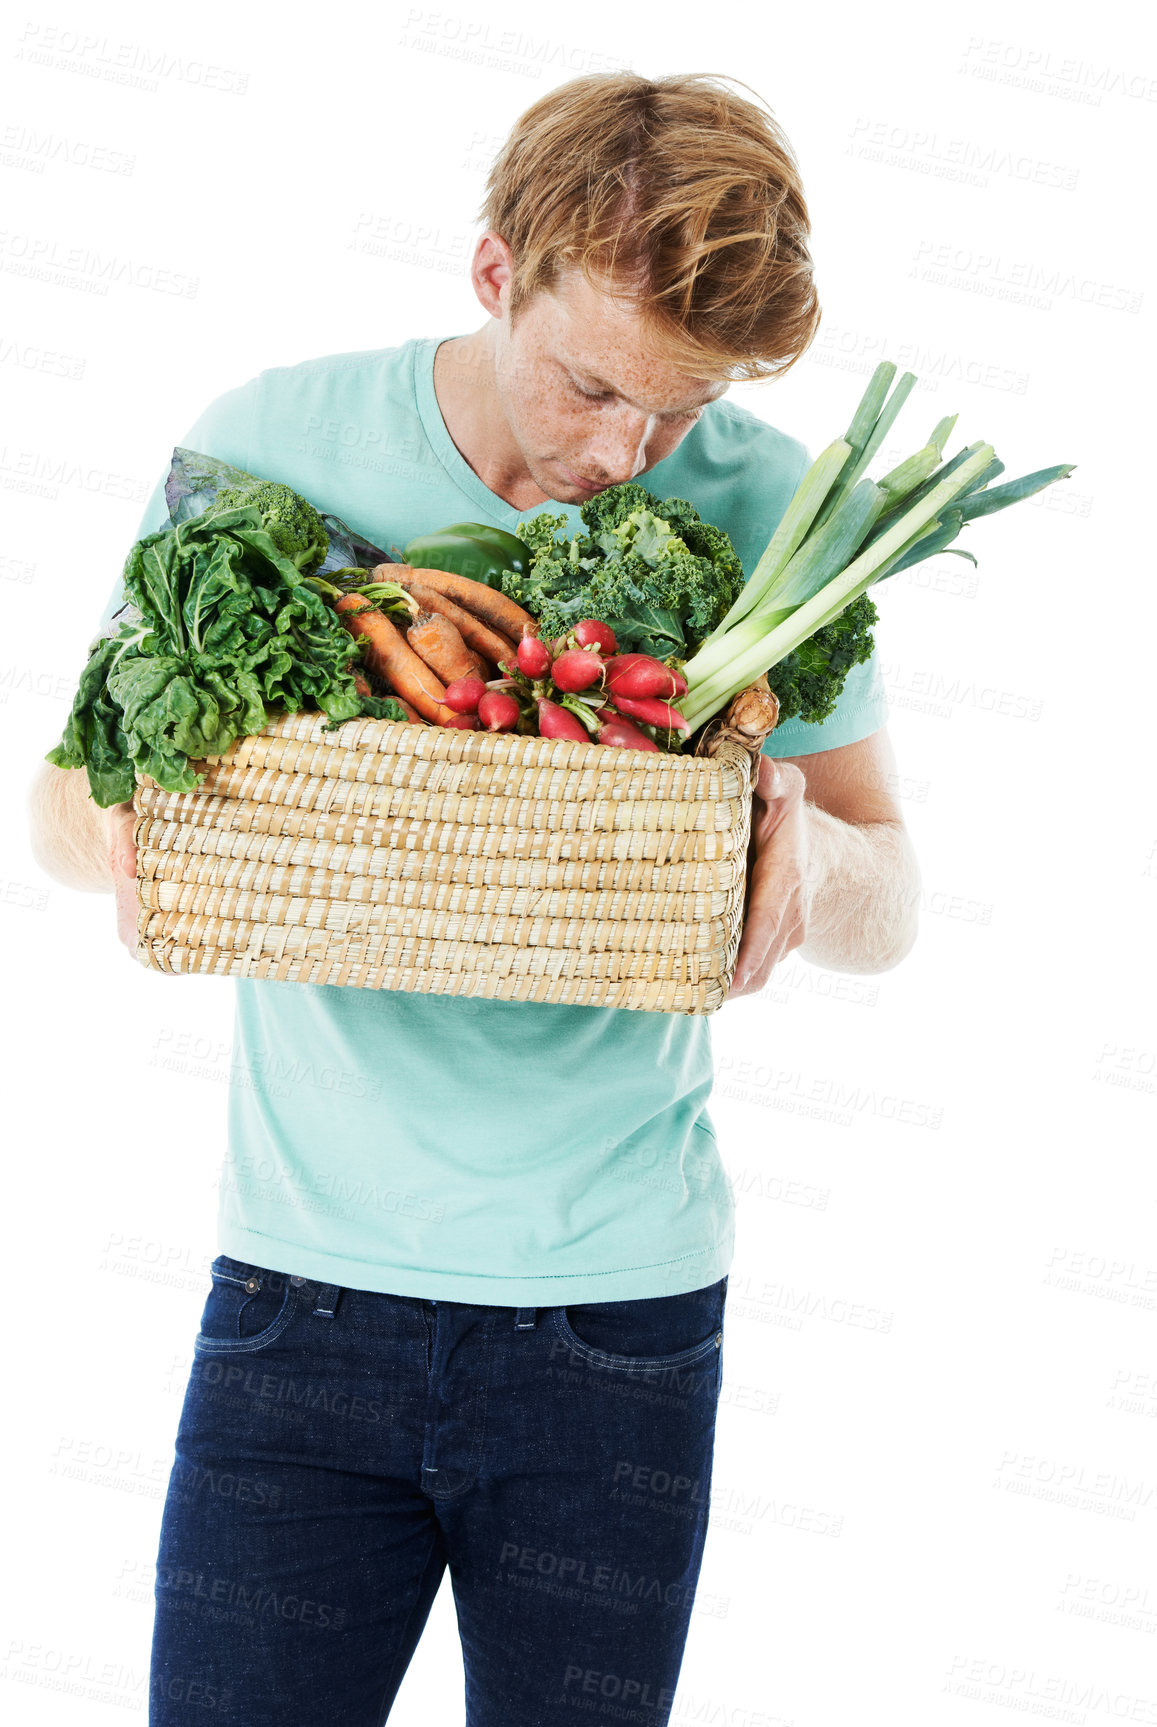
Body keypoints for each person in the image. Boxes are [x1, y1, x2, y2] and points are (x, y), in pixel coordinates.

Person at [29, 70, 920, 1727]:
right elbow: (61, 810)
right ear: (496, 272)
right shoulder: (268, 443)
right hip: (297, 1296)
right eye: (592, 389)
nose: (624, 455)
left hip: (617, 1321)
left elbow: (893, 903)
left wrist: (810, 860)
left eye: (675, 414)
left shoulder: (776, 503)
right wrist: (153, 839)